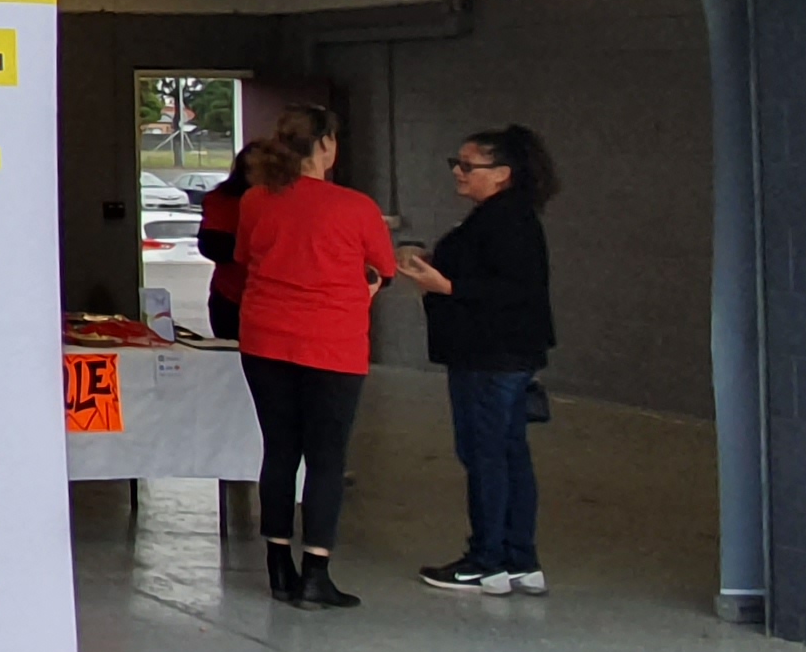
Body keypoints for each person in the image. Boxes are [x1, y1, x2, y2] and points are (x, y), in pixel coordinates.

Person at [231, 106, 397, 610]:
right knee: (326, 460)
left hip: (264, 340)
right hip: (332, 344)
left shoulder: (256, 200)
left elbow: (244, 257)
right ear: (324, 144)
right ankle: (315, 575)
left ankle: (278, 566)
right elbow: (384, 267)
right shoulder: (355, 206)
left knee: (280, 450)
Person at [401, 126, 560, 596]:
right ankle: (518, 558)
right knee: (508, 451)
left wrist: (446, 286)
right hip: (496, 352)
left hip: (491, 355)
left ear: (503, 174)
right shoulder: (498, 218)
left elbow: (513, 290)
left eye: (469, 166)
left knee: (486, 452)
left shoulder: (507, 221)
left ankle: (486, 559)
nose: (458, 171)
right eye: (458, 161)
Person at [193, 148, 256, 342]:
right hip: (230, 295)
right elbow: (212, 245)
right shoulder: (221, 200)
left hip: (272, 300)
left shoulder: (286, 202)